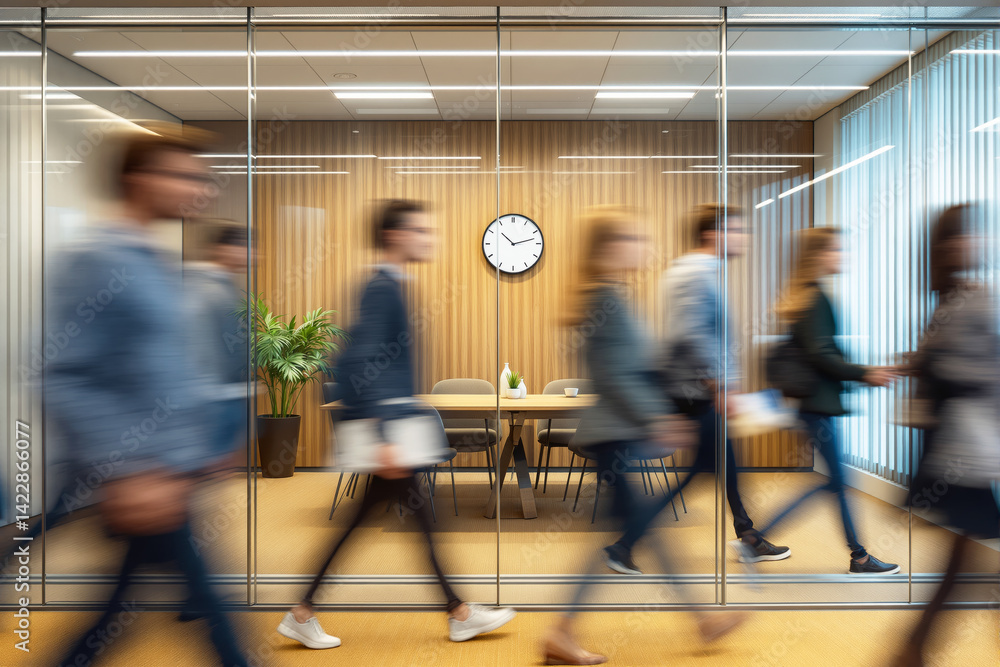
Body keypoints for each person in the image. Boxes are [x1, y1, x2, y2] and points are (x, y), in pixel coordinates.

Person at [46, 128, 248, 666]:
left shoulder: (155, 259)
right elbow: (61, 374)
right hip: (139, 477)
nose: (197, 190)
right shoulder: (96, 257)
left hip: (168, 474)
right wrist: (123, 466)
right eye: (183, 176)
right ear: (138, 179)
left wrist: (207, 444)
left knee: (113, 619)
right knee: (212, 614)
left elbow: (168, 368)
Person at [276, 200, 515, 650]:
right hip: (391, 433)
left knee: (386, 522)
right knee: (414, 523)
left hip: (395, 429)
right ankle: (458, 613)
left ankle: (304, 611)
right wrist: (385, 436)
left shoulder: (394, 284)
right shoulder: (382, 287)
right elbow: (363, 359)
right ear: (395, 236)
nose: (430, 239)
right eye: (421, 231)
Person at [541, 207, 742, 666]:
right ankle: (562, 631)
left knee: (641, 531)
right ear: (611, 247)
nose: (645, 248)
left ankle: (700, 619)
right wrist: (657, 417)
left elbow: (635, 368)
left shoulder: (612, 296)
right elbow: (616, 376)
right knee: (633, 533)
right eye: (635, 239)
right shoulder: (604, 300)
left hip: (618, 434)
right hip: (614, 437)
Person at [603, 204, 789, 578]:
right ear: (713, 234)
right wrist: (719, 383)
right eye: (736, 230)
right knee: (707, 467)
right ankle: (624, 545)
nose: (743, 238)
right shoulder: (695, 273)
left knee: (720, 463)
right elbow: (692, 334)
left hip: (698, 388)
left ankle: (748, 534)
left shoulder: (701, 271)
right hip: (696, 391)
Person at [892, 205, 1000, 666]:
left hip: (963, 447)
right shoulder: (967, 298)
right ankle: (912, 648)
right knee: (971, 557)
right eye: (964, 236)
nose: (974, 242)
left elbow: (940, 367)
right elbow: (965, 371)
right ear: (947, 246)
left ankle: (913, 648)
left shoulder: (954, 297)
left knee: (965, 558)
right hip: (967, 448)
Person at [757, 226, 899, 574]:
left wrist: (862, 372)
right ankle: (760, 538)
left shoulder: (807, 294)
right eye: (836, 250)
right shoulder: (815, 298)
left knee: (836, 482)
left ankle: (859, 555)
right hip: (817, 407)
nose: (842, 256)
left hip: (814, 406)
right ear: (819, 255)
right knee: (836, 482)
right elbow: (822, 354)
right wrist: (865, 373)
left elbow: (821, 352)